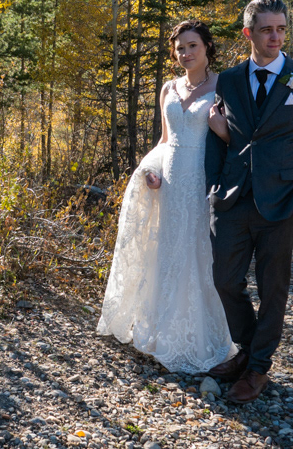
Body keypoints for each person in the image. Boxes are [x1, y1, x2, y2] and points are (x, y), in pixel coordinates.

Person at [204, 0, 293, 404]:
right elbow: (219, 140)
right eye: (266, 29)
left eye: (280, 28)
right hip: (233, 198)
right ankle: (246, 348)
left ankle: (257, 367)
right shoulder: (228, 79)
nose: (275, 37)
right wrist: (213, 187)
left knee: (273, 288)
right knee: (224, 280)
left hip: (282, 202)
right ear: (248, 34)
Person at [97, 20, 237, 374]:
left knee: (198, 255)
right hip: (170, 183)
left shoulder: (225, 86)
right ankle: (160, 333)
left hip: (203, 182)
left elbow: (237, 141)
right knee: (165, 253)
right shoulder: (168, 89)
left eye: (192, 46)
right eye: (179, 48)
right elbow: (164, 141)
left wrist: (223, 132)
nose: (185, 53)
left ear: (207, 47)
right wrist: (151, 172)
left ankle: (199, 338)